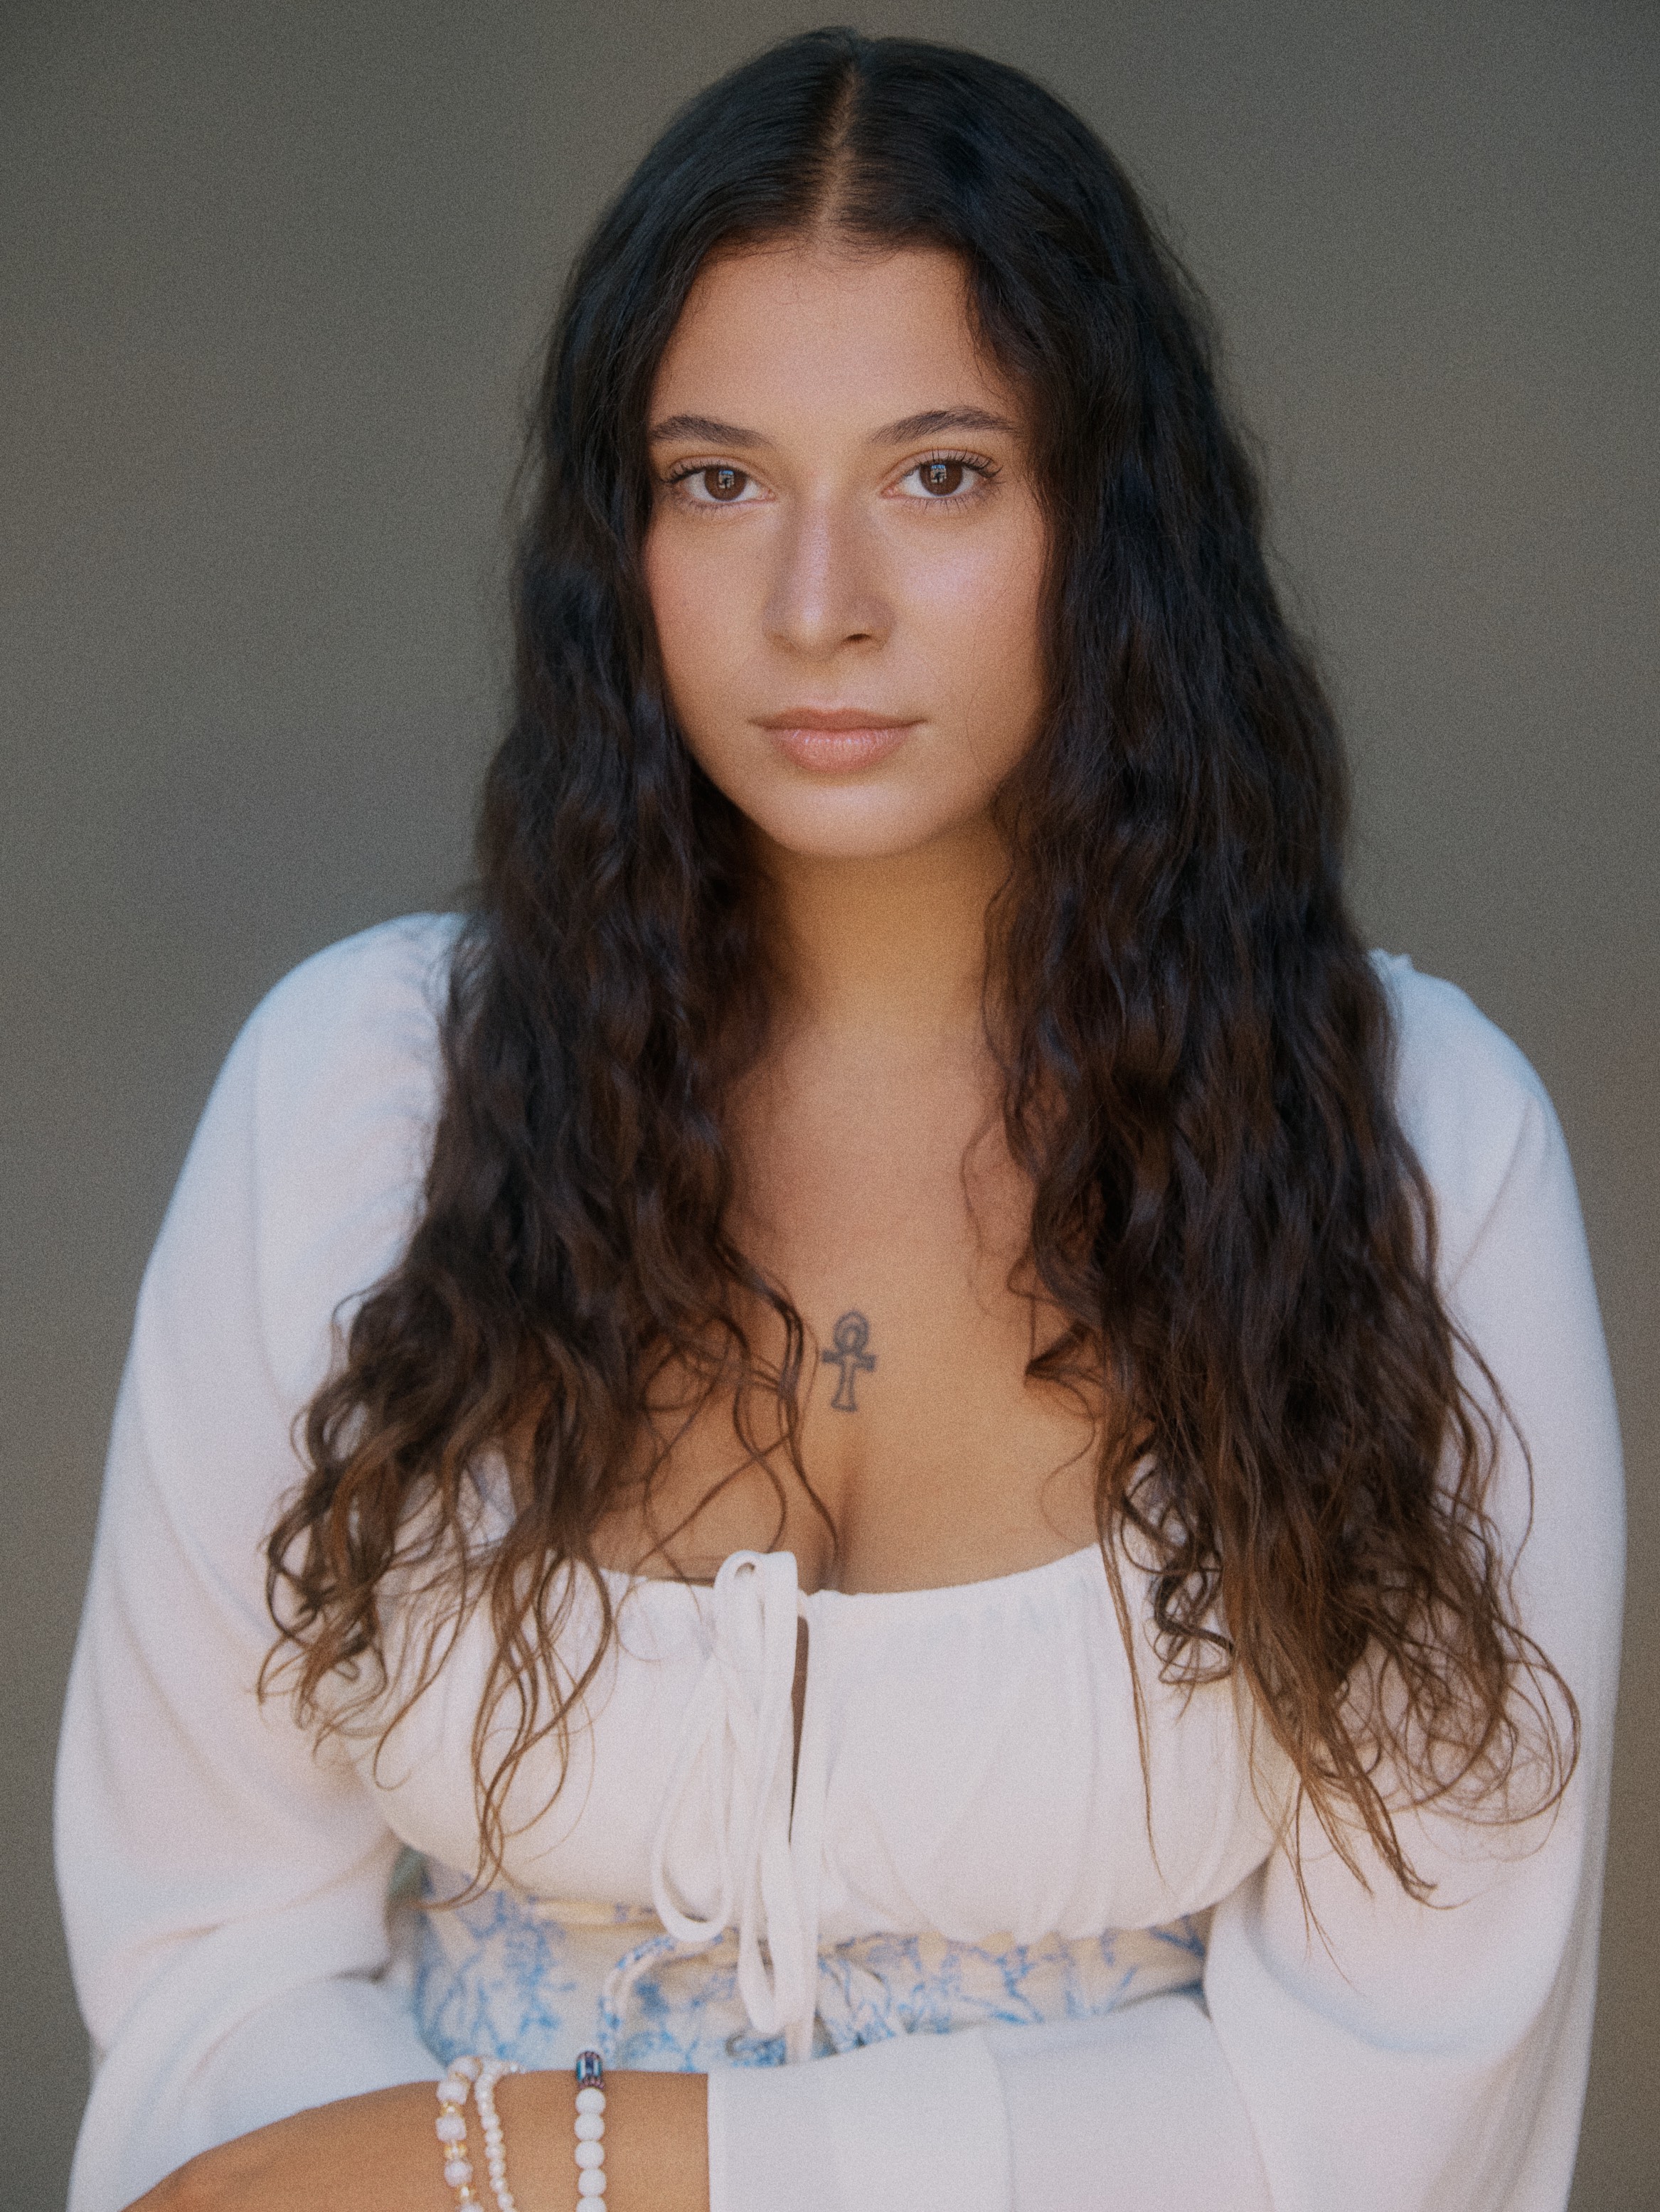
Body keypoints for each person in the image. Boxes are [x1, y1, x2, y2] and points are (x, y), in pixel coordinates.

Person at [55, 26, 1624, 2212]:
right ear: (620, 537)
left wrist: (560, 2161)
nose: (820, 606)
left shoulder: (1420, 1149)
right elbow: (206, 1960)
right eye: (720, 481)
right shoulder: (355, 1097)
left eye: (939, 475)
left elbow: (1382, 2108)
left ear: (1113, 522)